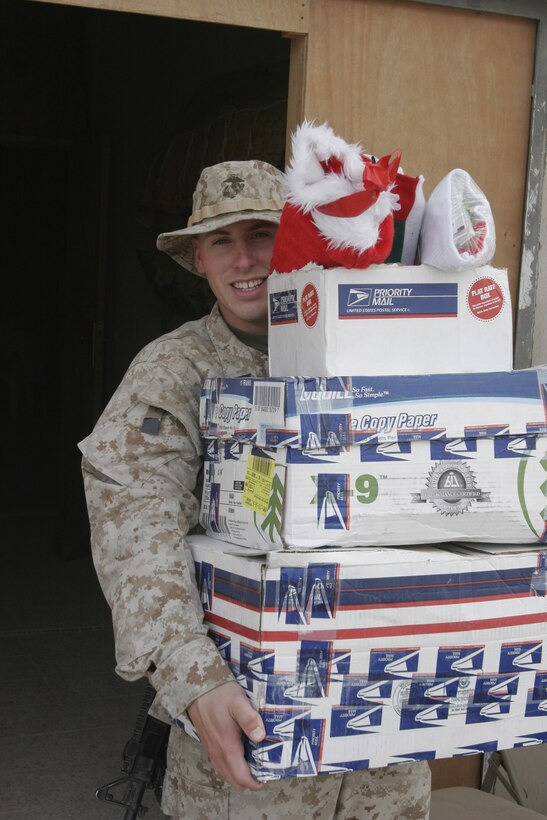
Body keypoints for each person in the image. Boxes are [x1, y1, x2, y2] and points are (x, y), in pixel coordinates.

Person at [79, 159, 431, 819]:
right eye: (220, 241)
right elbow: (134, 520)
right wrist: (191, 675)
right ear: (199, 261)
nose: (244, 258)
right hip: (245, 713)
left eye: (261, 234)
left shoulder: (371, 346)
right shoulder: (175, 369)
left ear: (296, 241)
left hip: (380, 719)